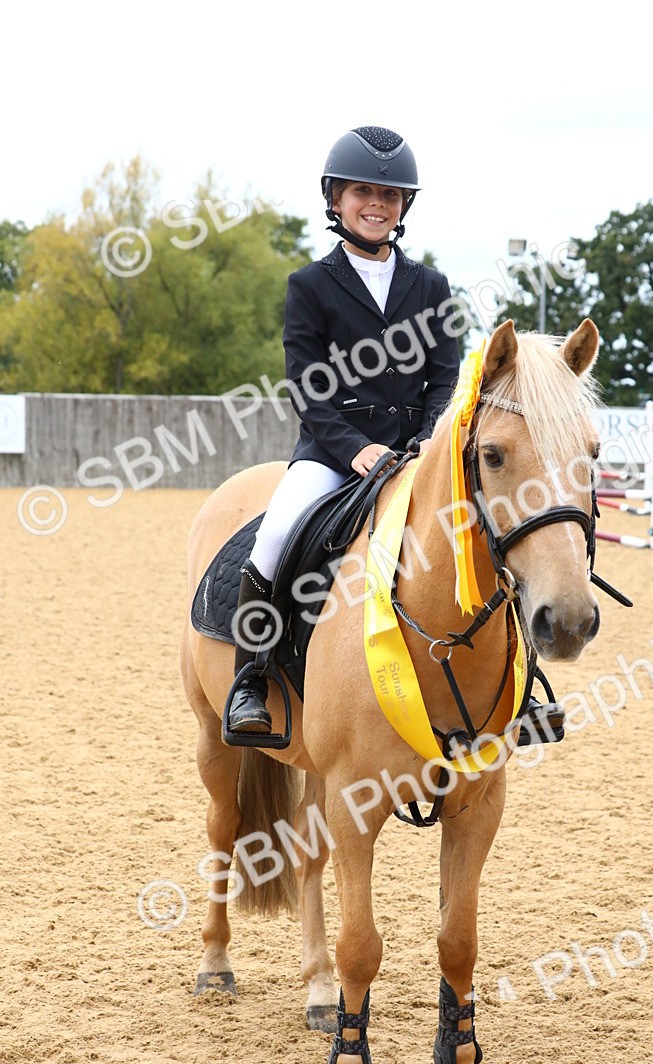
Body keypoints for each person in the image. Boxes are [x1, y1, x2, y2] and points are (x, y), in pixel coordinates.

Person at [224, 126, 461, 739]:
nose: (377, 203)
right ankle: (251, 677)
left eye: (390, 193)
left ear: (405, 204)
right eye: (363, 191)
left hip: (419, 455)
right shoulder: (310, 286)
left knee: (491, 532)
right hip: (335, 455)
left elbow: (445, 377)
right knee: (275, 533)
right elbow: (308, 386)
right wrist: (356, 450)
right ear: (335, 198)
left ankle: (520, 685)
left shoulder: (432, 287)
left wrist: (429, 443)